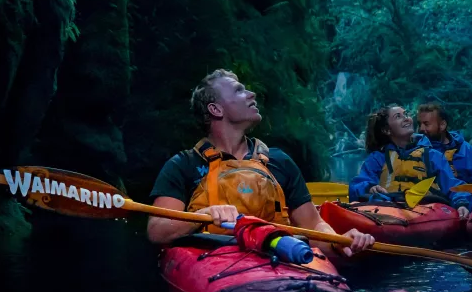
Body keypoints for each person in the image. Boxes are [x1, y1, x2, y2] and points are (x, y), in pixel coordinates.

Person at [146, 68, 375, 258]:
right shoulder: (183, 165)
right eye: (239, 91)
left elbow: (314, 227)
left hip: (281, 258)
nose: (251, 94)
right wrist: (204, 214)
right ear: (216, 109)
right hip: (214, 261)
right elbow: (157, 231)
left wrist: (340, 241)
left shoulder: (278, 161)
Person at [349, 105, 472, 218]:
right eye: (398, 116)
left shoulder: (432, 156)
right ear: (387, 130)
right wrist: (370, 187)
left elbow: (452, 185)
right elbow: (358, 184)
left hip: (427, 209)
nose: (407, 118)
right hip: (388, 208)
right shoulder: (377, 158)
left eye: (407, 114)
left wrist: (461, 203)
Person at [417, 103, 472, 184]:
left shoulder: (466, 151)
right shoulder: (417, 151)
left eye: (426, 124)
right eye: (419, 124)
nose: (421, 128)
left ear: (442, 125)